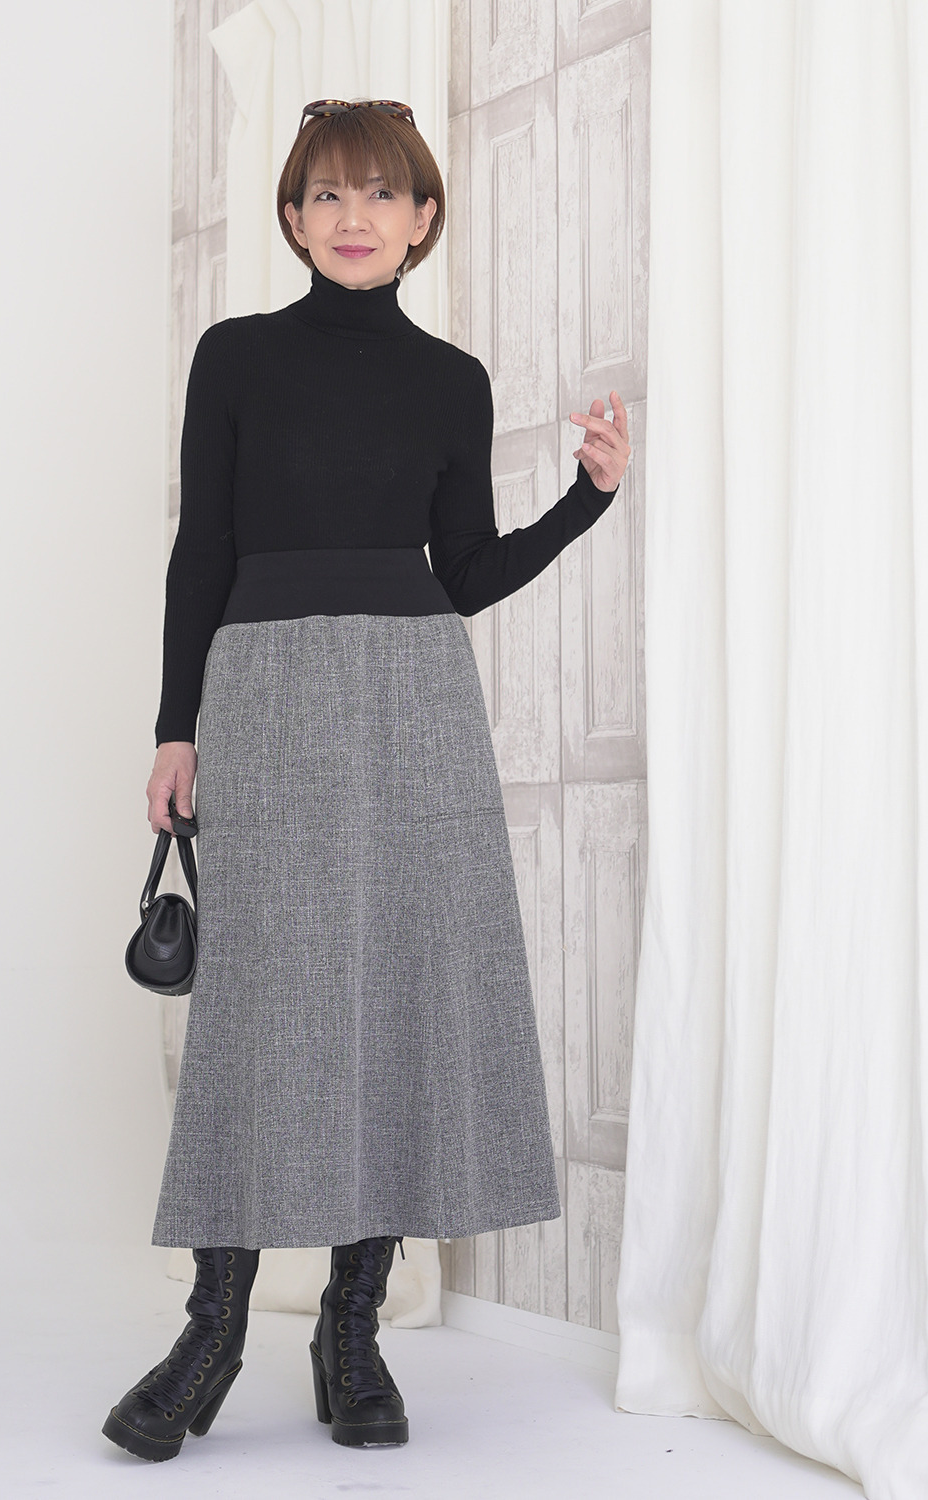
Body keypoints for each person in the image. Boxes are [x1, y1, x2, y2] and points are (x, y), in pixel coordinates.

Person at [103, 97, 630, 1463]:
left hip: (415, 701)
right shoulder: (235, 357)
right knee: (260, 1012)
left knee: (398, 989)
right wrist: (175, 727)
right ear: (293, 218)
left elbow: (466, 574)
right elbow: (201, 551)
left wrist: (587, 498)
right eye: (328, 195)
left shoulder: (452, 380)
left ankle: (352, 1330)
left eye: (382, 195)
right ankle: (214, 1331)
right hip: (265, 693)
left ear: (423, 219)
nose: (355, 218)